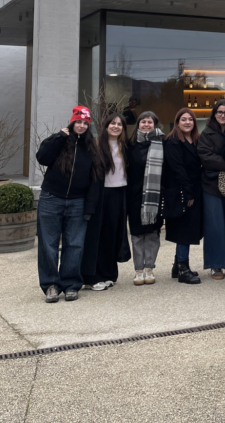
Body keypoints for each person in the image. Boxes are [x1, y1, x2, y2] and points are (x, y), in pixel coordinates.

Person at [35, 105, 104, 303]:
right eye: (78, 122)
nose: (81, 126)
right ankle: (50, 285)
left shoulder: (91, 148)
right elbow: (42, 157)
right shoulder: (60, 141)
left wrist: (90, 207)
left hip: (77, 202)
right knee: (48, 244)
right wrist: (58, 137)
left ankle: (71, 284)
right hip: (51, 199)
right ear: (72, 122)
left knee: (74, 245)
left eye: (85, 123)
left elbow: (95, 179)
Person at [82, 113, 132, 291]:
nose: (116, 126)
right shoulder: (96, 146)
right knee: (98, 236)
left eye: (119, 124)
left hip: (120, 194)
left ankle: (109, 274)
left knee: (114, 234)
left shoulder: (125, 146)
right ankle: (93, 277)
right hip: (101, 195)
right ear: (106, 126)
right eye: (112, 123)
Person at [163, 107, 204, 285]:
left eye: (190, 119)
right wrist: (188, 192)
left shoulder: (195, 139)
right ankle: (183, 269)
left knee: (186, 228)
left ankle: (177, 265)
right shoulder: (172, 141)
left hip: (193, 190)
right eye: (183, 119)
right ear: (177, 122)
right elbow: (177, 168)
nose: (187, 122)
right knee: (184, 231)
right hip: (181, 192)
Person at [197, 100, 225, 280]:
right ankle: (216, 265)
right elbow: (205, 156)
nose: (222, 115)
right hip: (211, 186)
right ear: (214, 114)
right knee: (215, 226)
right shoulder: (207, 133)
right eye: (219, 112)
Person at [127, 111, 164, 285]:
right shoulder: (130, 144)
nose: (146, 124)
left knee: (152, 233)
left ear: (155, 125)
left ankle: (149, 268)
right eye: (143, 122)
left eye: (150, 122)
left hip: (155, 196)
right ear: (138, 124)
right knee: (136, 234)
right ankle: (138, 270)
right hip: (134, 194)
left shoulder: (162, 143)